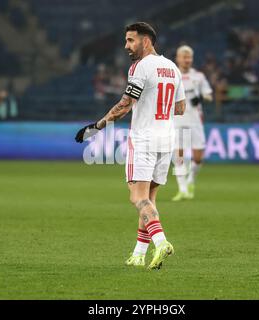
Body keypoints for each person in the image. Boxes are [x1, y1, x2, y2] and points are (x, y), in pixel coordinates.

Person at [75, 22, 186, 270]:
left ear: (146, 41)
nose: (126, 46)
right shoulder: (172, 68)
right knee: (149, 199)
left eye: (130, 40)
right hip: (166, 140)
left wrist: (96, 127)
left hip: (144, 139)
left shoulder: (140, 67)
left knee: (137, 197)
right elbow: (180, 108)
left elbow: (125, 104)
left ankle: (161, 242)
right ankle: (138, 254)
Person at [172, 45, 213, 201]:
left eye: (189, 57)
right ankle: (182, 189)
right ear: (178, 58)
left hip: (195, 120)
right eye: (184, 57)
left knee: (198, 158)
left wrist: (201, 98)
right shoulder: (172, 75)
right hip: (177, 120)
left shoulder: (199, 76)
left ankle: (190, 181)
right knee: (179, 156)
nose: (186, 60)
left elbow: (209, 95)